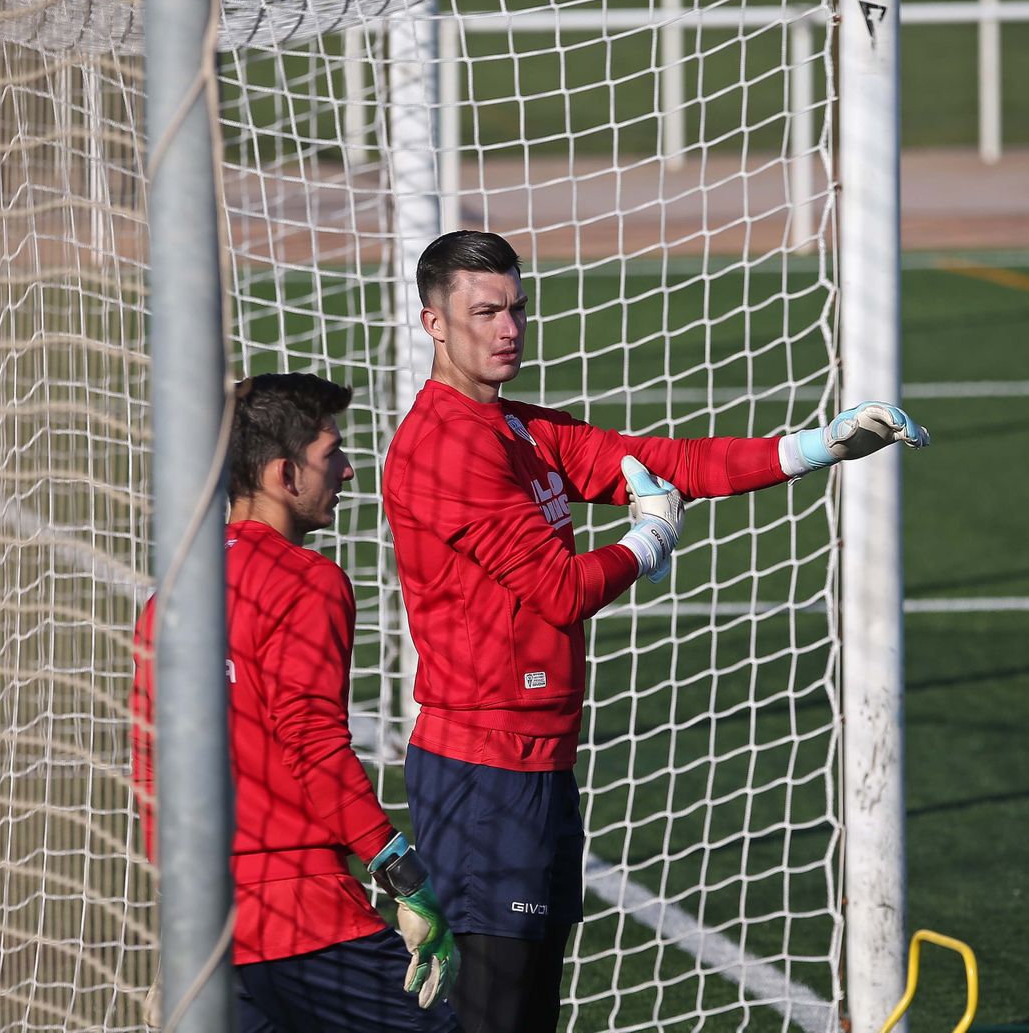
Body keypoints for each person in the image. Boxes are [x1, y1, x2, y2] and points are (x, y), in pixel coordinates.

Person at [381, 230, 930, 1033]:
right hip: (482, 773)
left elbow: (664, 459)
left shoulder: (519, 430)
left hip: (536, 763)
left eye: (517, 309)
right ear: (433, 322)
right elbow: (557, 591)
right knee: (496, 1013)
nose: (509, 329)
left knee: (531, 1010)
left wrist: (810, 449)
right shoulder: (446, 446)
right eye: (485, 312)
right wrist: (648, 541)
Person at [132, 373, 461, 1033]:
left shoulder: (165, 598)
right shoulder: (308, 584)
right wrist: (402, 870)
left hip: (212, 928)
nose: (348, 469)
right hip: (306, 922)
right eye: (331, 453)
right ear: (286, 472)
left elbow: (149, 761)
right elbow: (314, 746)